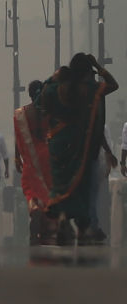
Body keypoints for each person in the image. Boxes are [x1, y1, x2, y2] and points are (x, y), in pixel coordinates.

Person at [37, 54, 118, 244]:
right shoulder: (89, 89)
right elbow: (113, 85)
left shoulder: (55, 89)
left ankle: (63, 217)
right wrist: (98, 66)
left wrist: (53, 77)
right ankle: (82, 229)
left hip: (57, 144)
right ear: (87, 72)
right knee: (81, 187)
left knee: (61, 185)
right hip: (81, 145)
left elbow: (39, 101)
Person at [14, 81, 56, 245]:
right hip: (49, 155)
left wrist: (18, 158)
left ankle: (34, 208)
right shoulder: (51, 113)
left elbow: (19, 139)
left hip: (31, 158)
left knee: (31, 189)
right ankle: (48, 223)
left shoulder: (21, 114)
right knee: (49, 189)